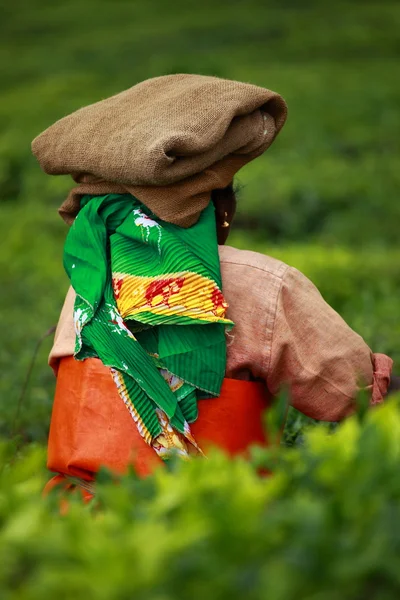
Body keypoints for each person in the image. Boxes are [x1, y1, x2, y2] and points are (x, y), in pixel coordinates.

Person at [32, 74, 396, 499]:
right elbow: (353, 393)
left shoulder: (86, 284)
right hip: (222, 526)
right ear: (219, 204)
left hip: (79, 527)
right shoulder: (263, 284)